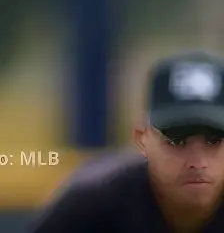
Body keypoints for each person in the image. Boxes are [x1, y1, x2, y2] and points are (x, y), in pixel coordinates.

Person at [30, 50, 224, 232]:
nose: (198, 162)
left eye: (214, 141)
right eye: (178, 141)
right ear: (142, 139)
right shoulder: (89, 209)